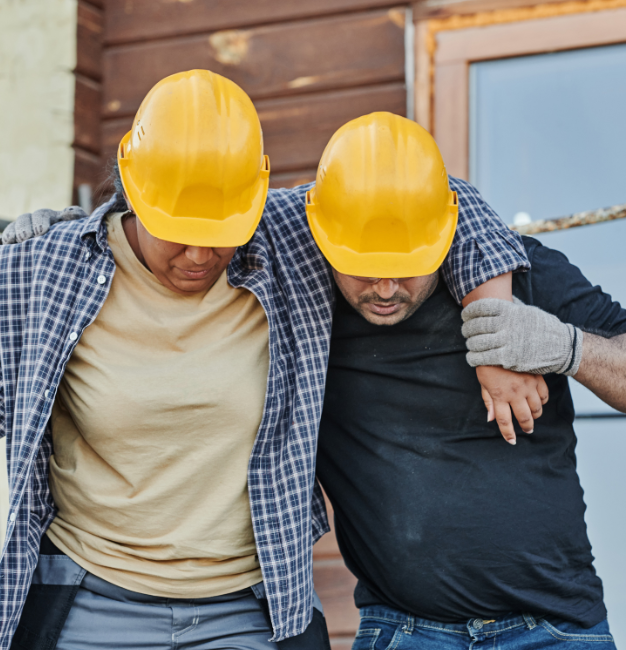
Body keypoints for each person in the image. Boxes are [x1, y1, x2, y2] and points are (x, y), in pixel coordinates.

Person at [0, 77, 531, 649]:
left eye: (222, 232)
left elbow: (443, 197)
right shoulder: (44, 270)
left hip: (246, 609)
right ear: (133, 191)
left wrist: (495, 332)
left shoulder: (283, 238)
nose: (200, 254)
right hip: (90, 600)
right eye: (176, 233)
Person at [311, 125, 626, 647]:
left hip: (554, 628)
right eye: (365, 269)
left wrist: (565, 346)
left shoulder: (524, 273)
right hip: (405, 628)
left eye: (407, 266)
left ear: (442, 234)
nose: (387, 289)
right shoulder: (311, 310)